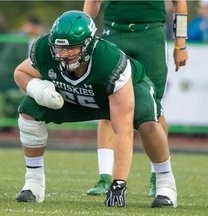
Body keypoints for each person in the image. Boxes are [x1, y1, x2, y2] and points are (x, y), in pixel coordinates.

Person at [14, 10, 177, 208]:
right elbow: (21, 72)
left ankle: (165, 183)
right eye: (58, 47)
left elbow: (123, 131)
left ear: (88, 45)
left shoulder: (109, 62)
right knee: (29, 110)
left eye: (71, 48)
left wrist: (119, 183)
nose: (62, 54)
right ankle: (33, 183)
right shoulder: (45, 50)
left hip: (122, 93)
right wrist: (41, 91)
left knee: (149, 124)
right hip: (74, 96)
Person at [83, 0, 188, 198]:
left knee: (154, 109)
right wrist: (85, 37)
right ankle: (105, 176)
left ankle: (159, 177)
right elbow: (93, 1)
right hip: (114, 33)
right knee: (108, 106)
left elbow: (179, 3)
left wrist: (180, 42)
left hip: (150, 36)